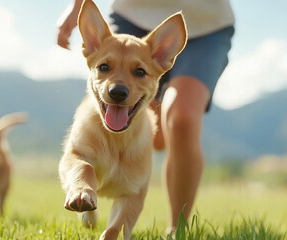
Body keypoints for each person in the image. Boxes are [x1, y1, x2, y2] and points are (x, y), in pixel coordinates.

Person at [57, 0, 235, 233]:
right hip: (132, 11)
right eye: (104, 68)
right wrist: (77, 6)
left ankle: (177, 229)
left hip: (207, 22)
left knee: (180, 120)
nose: (118, 87)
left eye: (138, 71)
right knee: (145, 131)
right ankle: (85, 191)